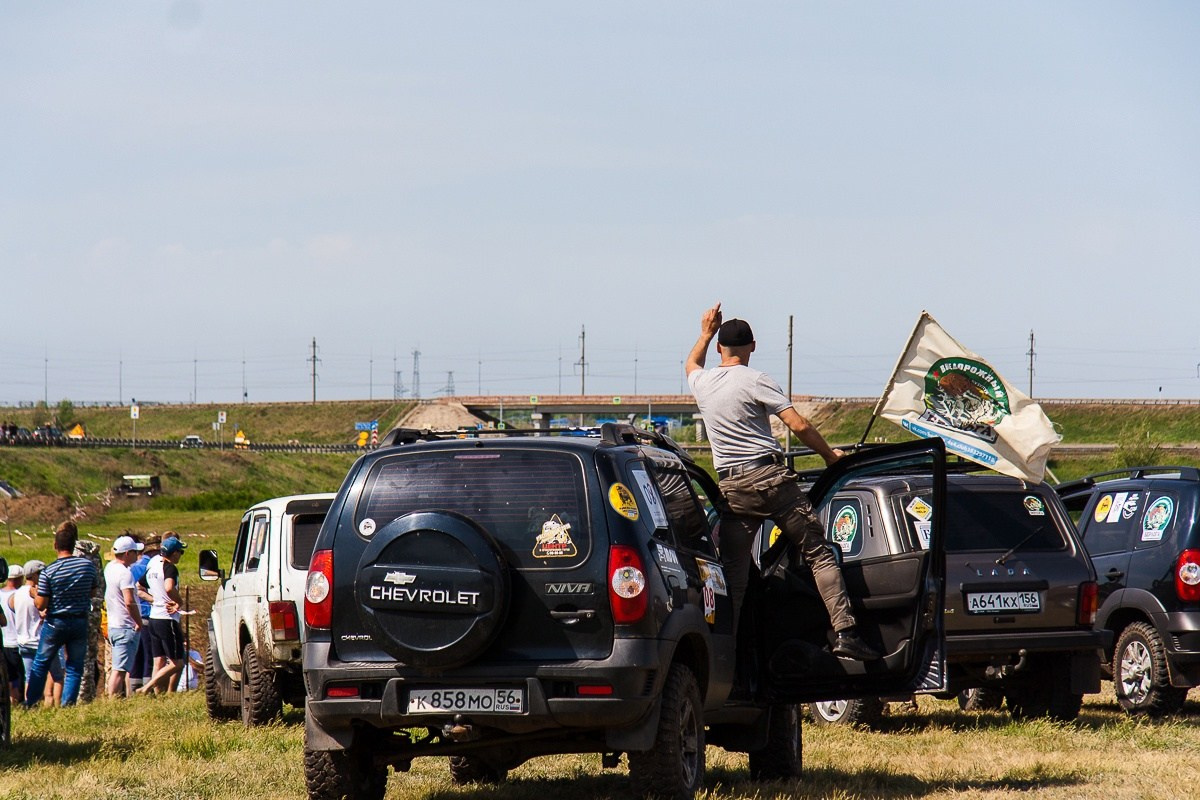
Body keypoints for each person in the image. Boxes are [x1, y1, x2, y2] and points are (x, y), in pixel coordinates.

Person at [685, 302, 878, 660]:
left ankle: (727, 656)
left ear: (718, 349)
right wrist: (831, 456)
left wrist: (705, 331)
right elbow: (799, 425)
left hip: (732, 491)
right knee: (819, 554)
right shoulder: (757, 379)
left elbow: (690, 364)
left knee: (734, 579)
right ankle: (846, 633)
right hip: (772, 481)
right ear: (753, 347)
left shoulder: (704, 382)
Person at [25, 521, 99, 707]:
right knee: (75, 666)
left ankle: (31, 702)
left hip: (55, 622)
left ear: (55, 545)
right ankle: (68, 703)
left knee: (41, 663)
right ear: (74, 545)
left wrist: (34, 593)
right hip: (79, 620)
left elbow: (42, 604)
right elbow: (92, 592)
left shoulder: (49, 572)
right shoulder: (87, 567)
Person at [138, 535, 187, 694]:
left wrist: (154, 600)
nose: (181, 555)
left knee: (158, 660)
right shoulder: (169, 567)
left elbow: (138, 587)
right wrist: (179, 602)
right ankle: (147, 688)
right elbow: (169, 587)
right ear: (174, 553)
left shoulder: (153, 566)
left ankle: (158, 696)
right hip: (167, 619)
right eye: (180, 552)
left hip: (154, 618)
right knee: (177, 663)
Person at [9, 560, 62, 706]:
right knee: (57, 676)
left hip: (23, 640)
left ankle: (30, 704)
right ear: (35, 575)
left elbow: (12, 607)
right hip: (40, 640)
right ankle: (59, 707)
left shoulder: (16, 594)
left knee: (29, 677)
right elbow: (44, 612)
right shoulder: (39, 594)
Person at [104, 536, 144, 697]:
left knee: (120, 666)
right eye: (135, 551)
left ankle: (116, 698)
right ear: (127, 553)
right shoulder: (125, 573)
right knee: (119, 670)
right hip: (125, 626)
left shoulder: (110, 568)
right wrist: (138, 622)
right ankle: (111, 700)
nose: (137, 555)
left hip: (114, 625)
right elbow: (129, 602)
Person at [128, 532, 159, 692]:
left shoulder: (132, 568)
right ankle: (148, 692)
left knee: (135, 659)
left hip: (132, 617)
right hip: (149, 615)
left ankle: (132, 692)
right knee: (150, 658)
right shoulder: (154, 567)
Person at [1, 563, 26, 704]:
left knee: (8, 676)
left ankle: (10, 701)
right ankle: (20, 700)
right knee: (20, 675)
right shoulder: (18, 595)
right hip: (17, 640)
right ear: (19, 579)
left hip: (4, 641)